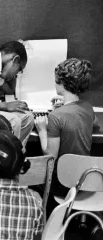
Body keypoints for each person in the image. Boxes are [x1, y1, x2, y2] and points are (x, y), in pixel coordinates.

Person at [35, 58, 95, 197]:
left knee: (31, 179)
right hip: (84, 179)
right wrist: (67, 103)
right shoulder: (88, 107)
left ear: (61, 83)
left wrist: (42, 131)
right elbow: (92, 123)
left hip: (62, 184)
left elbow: (50, 156)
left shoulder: (56, 116)